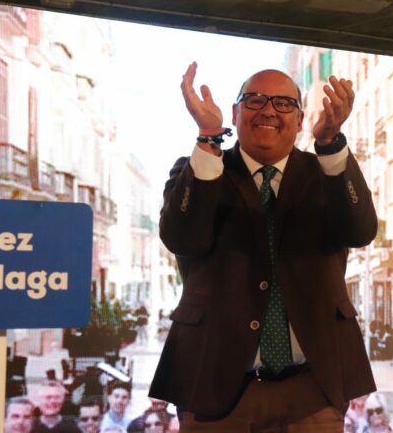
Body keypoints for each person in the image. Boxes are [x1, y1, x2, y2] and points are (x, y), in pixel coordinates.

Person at [149, 61, 378, 433]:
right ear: (235, 113)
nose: (269, 110)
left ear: (300, 119)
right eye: (255, 100)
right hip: (212, 385)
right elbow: (181, 238)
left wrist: (331, 143)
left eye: (284, 103)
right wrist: (208, 137)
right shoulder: (201, 170)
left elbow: (360, 231)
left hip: (313, 388)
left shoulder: (327, 173)